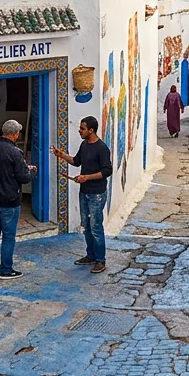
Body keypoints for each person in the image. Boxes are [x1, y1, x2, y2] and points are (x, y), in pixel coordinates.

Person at [52, 116, 113, 273]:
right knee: (86, 225)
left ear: (91, 130)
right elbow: (77, 161)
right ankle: (90, 255)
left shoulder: (102, 148)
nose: (80, 131)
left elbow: (107, 170)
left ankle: (101, 260)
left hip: (97, 193)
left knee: (96, 227)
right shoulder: (84, 145)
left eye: (82, 128)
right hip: (84, 192)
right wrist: (61, 155)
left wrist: (87, 177)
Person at [0, 119, 36, 280]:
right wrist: (32, 171)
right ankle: (6, 269)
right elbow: (23, 177)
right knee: (9, 236)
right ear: (15, 134)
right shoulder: (15, 152)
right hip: (9, 201)